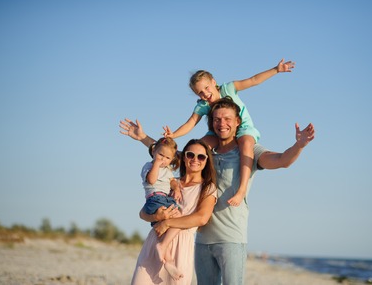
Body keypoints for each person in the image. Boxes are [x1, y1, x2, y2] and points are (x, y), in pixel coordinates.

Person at [120, 96, 315, 285]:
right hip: (201, 238)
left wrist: (299, 145)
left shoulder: (249, 152)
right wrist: (144, 139)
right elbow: (170, 156)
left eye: (227, 119)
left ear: (238, 121)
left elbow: (281, 160)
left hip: (231, 237)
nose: (222, 123)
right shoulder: (204, 154)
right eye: (217, 119)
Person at [163, 58, 295, 207]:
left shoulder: (229, 88)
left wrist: (276, 70)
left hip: (243, 128)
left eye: (206, 88)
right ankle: (182, 181)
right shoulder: (203, 105)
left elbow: (253, 80)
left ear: (213, 82)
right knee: (198, 147)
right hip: (218, 132)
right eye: (200, 93)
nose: (205, 94)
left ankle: (242, 188)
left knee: (246, 144)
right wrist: (173, 135)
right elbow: (191, 122)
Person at [122, 132, 217, 285]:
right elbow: (142, 213)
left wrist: (167, 223)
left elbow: (201, 218)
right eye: (190, 154)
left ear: (207, 161)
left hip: (181, 246)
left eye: (201, 157)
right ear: (183, 157)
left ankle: (167, 258)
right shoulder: (169, 181)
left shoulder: (208, 188)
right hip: (156, 238)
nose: (195, 160)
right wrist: (156, 217)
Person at [140, 137, 182, 269]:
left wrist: (176, 188)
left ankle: (166, 255)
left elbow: (172, 181)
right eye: (160, 155)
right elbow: (151, 180)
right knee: (176, 219)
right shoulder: (149, 166)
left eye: (167, 158)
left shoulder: (168, 170)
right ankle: (163, 248)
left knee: (177, 218)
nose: (163, 159)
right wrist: (156, 164)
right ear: (153, 152)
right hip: (155, 198)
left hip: (165, 198)